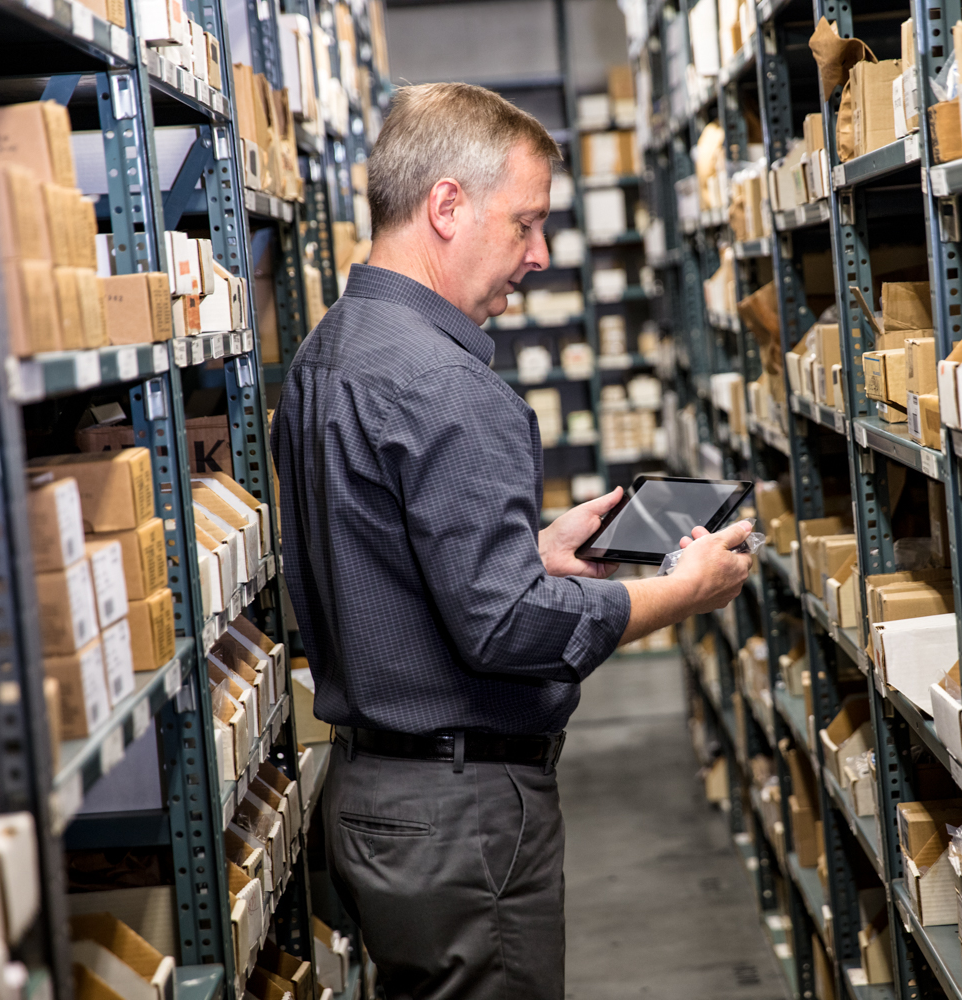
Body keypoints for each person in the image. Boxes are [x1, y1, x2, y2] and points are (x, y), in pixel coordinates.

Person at [271, 82, 753, 1000]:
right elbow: (505, 630)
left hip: (379, 801)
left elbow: (382, 560)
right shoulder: (447, 387)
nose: (537, 257)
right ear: (446, 206)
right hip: (465, 820)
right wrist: (681, 591)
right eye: (526, 224)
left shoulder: (328, 350)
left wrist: (528, 552)